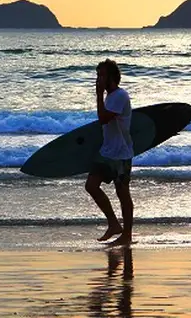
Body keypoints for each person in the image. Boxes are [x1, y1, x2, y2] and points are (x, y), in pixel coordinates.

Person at [86, 59, 134, 246]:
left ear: (112, 77)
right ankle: (114, 224)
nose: (98, 79)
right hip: (107, 152)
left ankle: (127, 234)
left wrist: (98, 96)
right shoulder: (110, 96)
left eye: (102, 75)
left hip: (121, 154)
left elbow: (104, 119)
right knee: (91, 185)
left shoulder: (120, 96)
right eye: (97, 75)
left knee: (122, 193)